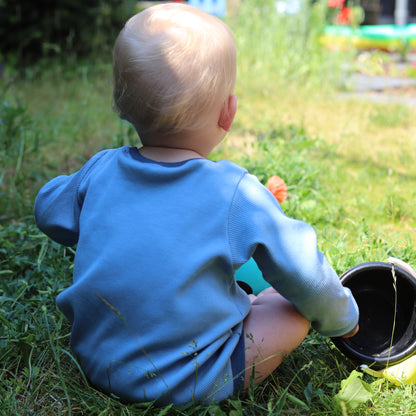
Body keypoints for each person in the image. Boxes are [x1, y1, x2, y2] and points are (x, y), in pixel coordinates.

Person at [34, 3, 359, 407]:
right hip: (192, 382)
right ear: (228, 112)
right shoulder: (234, 192)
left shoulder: (100, 171)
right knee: (291, 307)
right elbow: (306, 273)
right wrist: (345, 319)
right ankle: (241, 313)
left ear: (122, 104)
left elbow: (48, 210)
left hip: (99, 362)